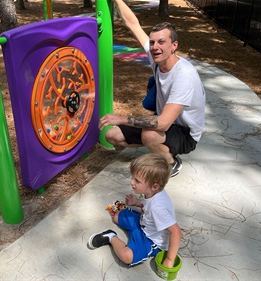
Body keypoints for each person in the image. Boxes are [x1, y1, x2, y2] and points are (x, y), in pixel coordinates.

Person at [99, 0, 206, 177]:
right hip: (166, 123)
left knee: (150, 134)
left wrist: (122, 118)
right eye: (152, 42)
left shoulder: (184, 75)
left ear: (174, 46)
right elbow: (132, 23)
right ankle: (157, 146)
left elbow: (163, 123)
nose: (155, 47)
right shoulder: (156, 56)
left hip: (186, 133)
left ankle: (171, 162)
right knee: (112, 135)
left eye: (161, 42)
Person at [88, 153, 181, 268]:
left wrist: (169, 259)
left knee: (126, 256)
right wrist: (137, 202)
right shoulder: (153, 192)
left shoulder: (158, 208)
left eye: (137, 181)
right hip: (143, 224)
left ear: (155, 186)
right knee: (117, 217)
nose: (132, 182)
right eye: (133, 177)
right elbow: (148, 207)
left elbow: (176, 231)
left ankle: (110, 236)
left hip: (150, 240)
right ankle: (133, 232)